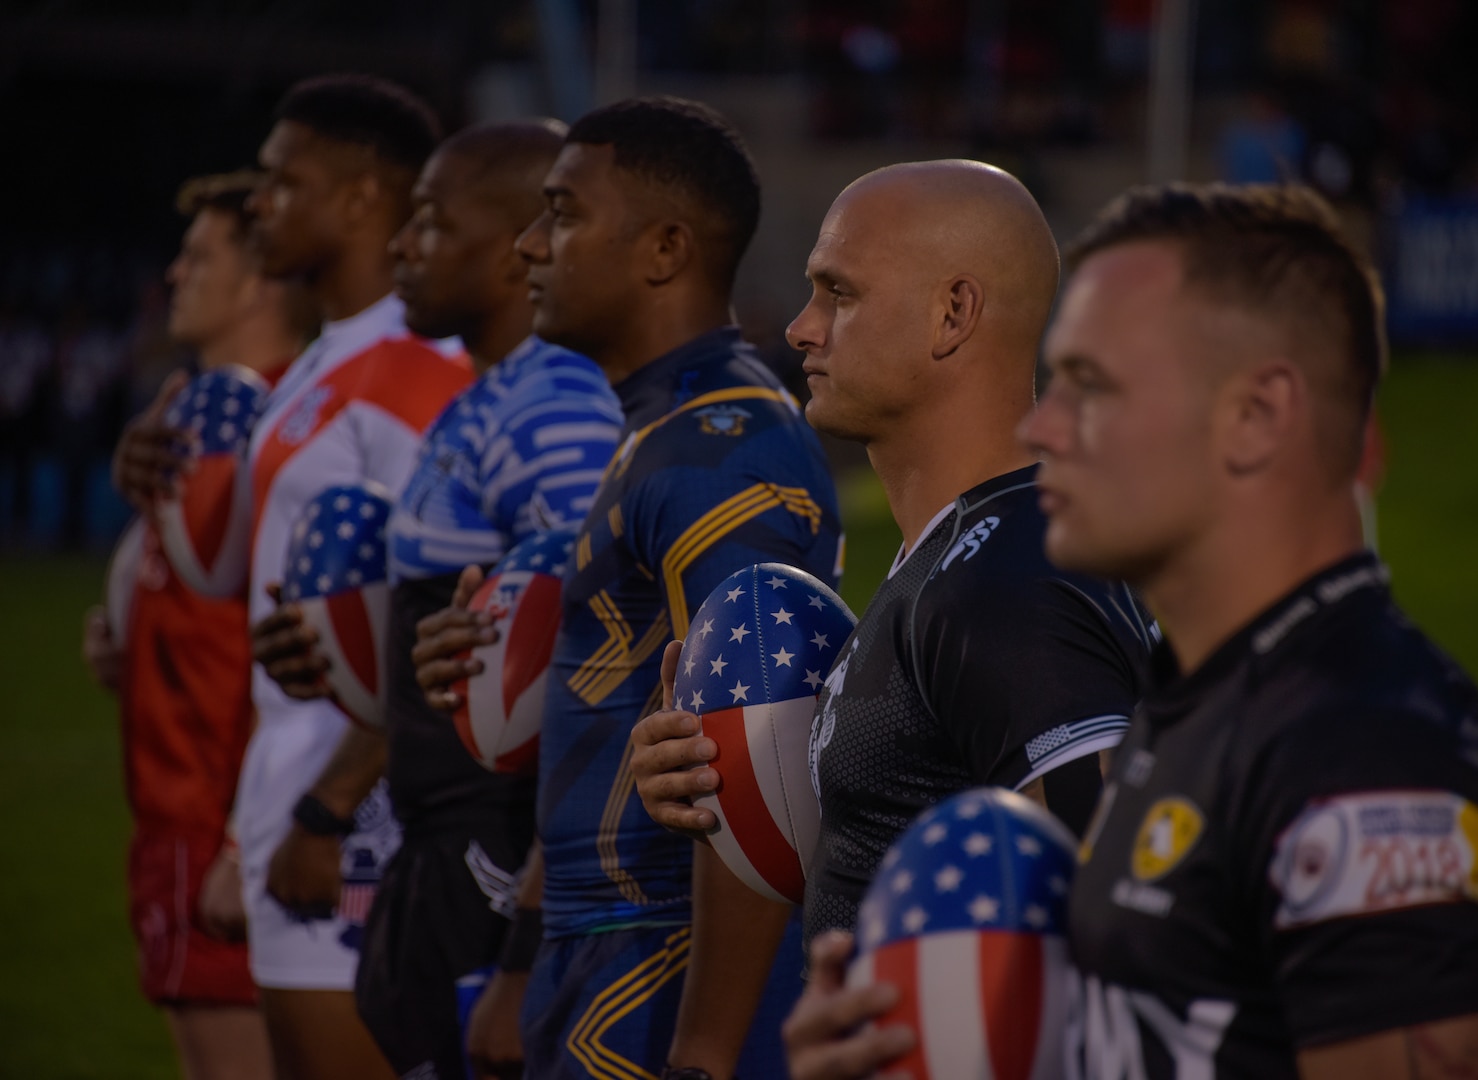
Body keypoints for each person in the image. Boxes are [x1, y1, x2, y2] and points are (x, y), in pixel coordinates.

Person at [798, 183, 1478, 1079]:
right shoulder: (1202, 713)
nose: (1042, 423)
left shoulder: (1367, 756)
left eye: (1092, 384)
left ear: (1255, 418)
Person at [627, 160, 1155, 1078]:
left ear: (953, 314)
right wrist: (723, 780)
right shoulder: (965, 557)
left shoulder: (1003, 582)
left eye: (839, 293)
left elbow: (1122, 935)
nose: (800, 328)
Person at [410, 96, 841, 1080]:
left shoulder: (719, 449)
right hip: (602, 938)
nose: (527, 245)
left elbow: (753, 757)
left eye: (559, 213)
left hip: (657, 957)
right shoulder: (660, 430)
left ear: (664, 250)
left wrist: (705, 1049)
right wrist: (495, 669)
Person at [251, 119, 623, 1080]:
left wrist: (526, 945)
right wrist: (346, 662)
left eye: (429, 221)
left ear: (511, 253)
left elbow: (599, 660)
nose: (403, 246)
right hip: (438, 844)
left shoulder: (558, 402)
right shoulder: (486, 398)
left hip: (491, 851)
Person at [130, 75, 466, 1080]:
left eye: (283, 181)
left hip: (360, 817)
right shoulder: (321, 367)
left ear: (362, 198)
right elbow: (250, 575)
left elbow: (453, 616)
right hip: (289, 791)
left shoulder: (417, 367)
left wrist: (330, 808)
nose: (262, 202)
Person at [86, 171, 313, 1080]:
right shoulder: (203, 408)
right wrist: (129, 643)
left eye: (200, 256)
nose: (175, 274)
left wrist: (233, 846)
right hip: (192, 819)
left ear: (262, 279)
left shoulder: (261, 419)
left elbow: (305, 652)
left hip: (218, 818)